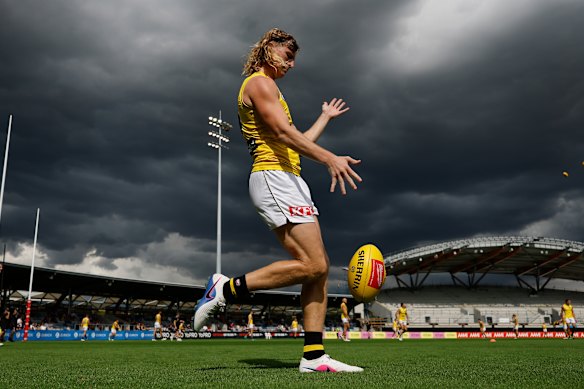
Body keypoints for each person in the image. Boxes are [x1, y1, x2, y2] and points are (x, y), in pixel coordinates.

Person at [193, 28, 362, 373]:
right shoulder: (259, 83)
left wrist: (325, 119)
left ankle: (314, 357)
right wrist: (330, 159)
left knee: (318, 269)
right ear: (268, 48)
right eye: (288, 55)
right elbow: (285, 135)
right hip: (273, 177)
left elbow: (294, 139)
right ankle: (224, 289)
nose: (292, 63)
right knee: (314, 265)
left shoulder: (273, 90)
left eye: (294, 58)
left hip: (290, 178)